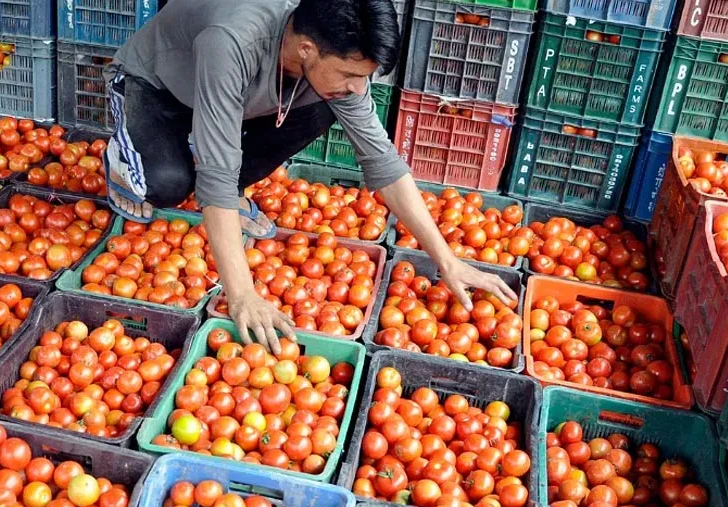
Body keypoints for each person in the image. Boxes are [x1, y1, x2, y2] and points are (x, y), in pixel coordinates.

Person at [105, 0, 518, 352]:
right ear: (305, 49)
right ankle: (123, 160)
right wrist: (243, 295)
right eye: (351, 75)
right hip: (156, 86)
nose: (359, 89)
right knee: (167, 185)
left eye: (364, 77)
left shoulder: (331, 62)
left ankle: (220, 181)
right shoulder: (232, 42)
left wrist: (447, 259)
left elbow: (383, 160)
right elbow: (216, 178)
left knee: (324, 106)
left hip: (228, 99)